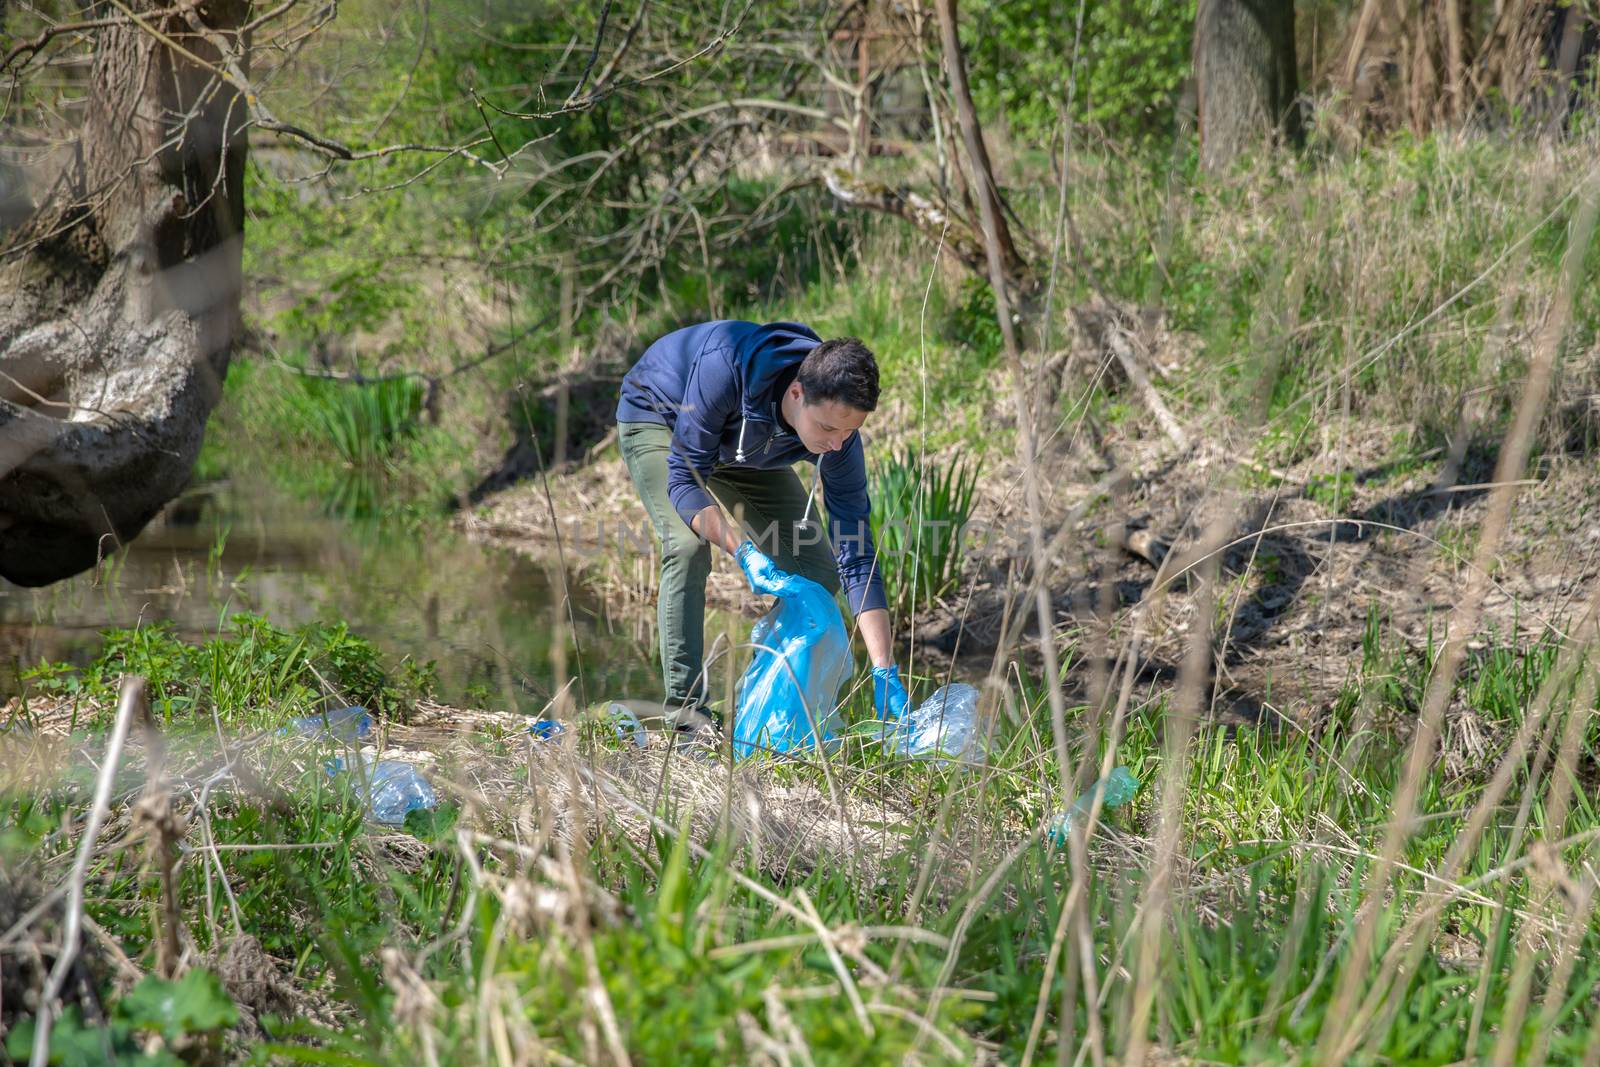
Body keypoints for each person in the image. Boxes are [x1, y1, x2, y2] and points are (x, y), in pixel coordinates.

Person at [615, 319, 910, 728]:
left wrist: (884, 668)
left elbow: (855, 551)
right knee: (687, 547)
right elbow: (684, 480)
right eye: (827, 428)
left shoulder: (838, 439)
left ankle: (749, 712)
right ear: (796, 393)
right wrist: (745, 550)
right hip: (662, 416)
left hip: (747, 447)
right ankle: (687, 720)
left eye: (850, 431)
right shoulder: (726, 364)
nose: (836, 443)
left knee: (817, 573)